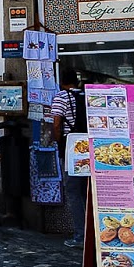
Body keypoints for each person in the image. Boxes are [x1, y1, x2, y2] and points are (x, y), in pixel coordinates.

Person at [51, 71, 88, 248]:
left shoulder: (61, 97)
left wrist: (58, 141)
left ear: (62, 82)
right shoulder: (86, 95)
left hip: (71, 147)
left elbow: (57, 123)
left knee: (73, 191)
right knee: (86, 191)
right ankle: (92, 232)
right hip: (89, 146)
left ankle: (81, 235)